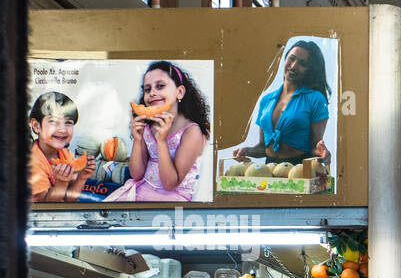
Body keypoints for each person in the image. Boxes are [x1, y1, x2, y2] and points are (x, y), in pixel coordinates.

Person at [105, 62, 211, 202]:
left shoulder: (192, 131)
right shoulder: (148, 125)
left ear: (179, 92)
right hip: (142, 189)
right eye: (147, 89)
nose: (152, 93)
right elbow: (136, 174)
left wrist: (161, 142)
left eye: (160, 86)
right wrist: (138, 139)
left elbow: (169, 184)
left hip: (173, 198)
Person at [233, 39, 333, 168]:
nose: (293, 66)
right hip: (269, 169)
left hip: (300, 169)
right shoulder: (266, 100)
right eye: (291, 59)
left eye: (302, 64)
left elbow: (314, 145)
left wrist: (321, 151)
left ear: (310, 70)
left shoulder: (315, 99)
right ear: (284, 59)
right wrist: (248, 151)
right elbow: (264, 147)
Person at [29, 92, 93, 202]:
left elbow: (69, 199)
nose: (62, 129)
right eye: (54, 122)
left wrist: (82, 177)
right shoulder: (32, 162)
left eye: (68, 122)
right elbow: (47, 209)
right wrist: (61, 183)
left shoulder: (65, 153)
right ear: (36, 126)